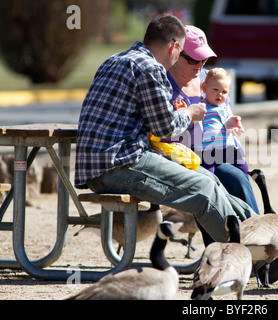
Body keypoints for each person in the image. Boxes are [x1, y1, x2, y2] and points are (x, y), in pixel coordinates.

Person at [75, 14, 258, 243]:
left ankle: (263, 236)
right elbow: (165, 127)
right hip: (117, 165)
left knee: (211, 181)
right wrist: (189, 114)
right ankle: (252, 251)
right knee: (203, 190)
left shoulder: (115, 59)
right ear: (174, 47)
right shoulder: (150, 68)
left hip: (108, 161)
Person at [167, 25, 259, 214]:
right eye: (193, 58)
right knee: (208, 185)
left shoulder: (210, 77)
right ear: (175, 51)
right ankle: (219, 241)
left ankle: (255, 229)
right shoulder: (163, 84)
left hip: (216, 152)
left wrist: (231, 123)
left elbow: (224, 112)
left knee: (238, 178)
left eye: (204, 58)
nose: (200, 64)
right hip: (183, 157)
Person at [199, 68, 248, 176]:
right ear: (204, 87)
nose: (220, 94)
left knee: (243, 166)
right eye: (215, 89)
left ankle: (244, 181)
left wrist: (233, 121)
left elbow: (227, 121)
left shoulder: (224, 107)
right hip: (208, 149)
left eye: (224, 92)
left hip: (227, 146)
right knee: (208, 174)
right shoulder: (201, 105)